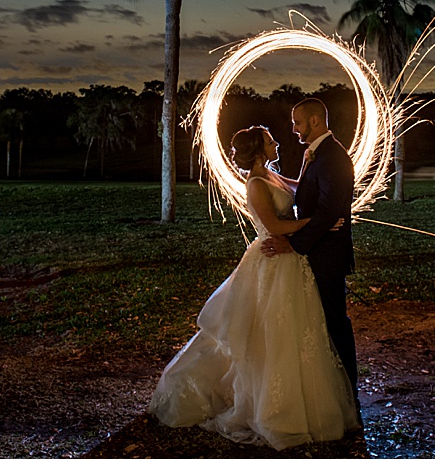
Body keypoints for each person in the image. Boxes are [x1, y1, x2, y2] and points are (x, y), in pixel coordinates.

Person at [148, 126, 359, 450]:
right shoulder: (256, 184)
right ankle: (266, 407)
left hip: (291, 262)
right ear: (259, 149)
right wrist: (318, 224)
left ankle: (294, 401)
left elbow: (303, 188)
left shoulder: (272, 175)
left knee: (295, 331)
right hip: (271, 260)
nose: (277, 143)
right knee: (268, 333)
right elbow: (274, 227)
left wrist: (309, 164)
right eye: (270, 140)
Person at [261, 98, 360, 408]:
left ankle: (348, 392)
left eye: (298, 123)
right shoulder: (317, 155)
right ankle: (331, 389)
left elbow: (329, 210)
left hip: (328, 256)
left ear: (315, 121)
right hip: (316, 252)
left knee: (334, 322)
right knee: (320, 323)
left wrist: (293, 243)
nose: (294, 129)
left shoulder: (332, 157)